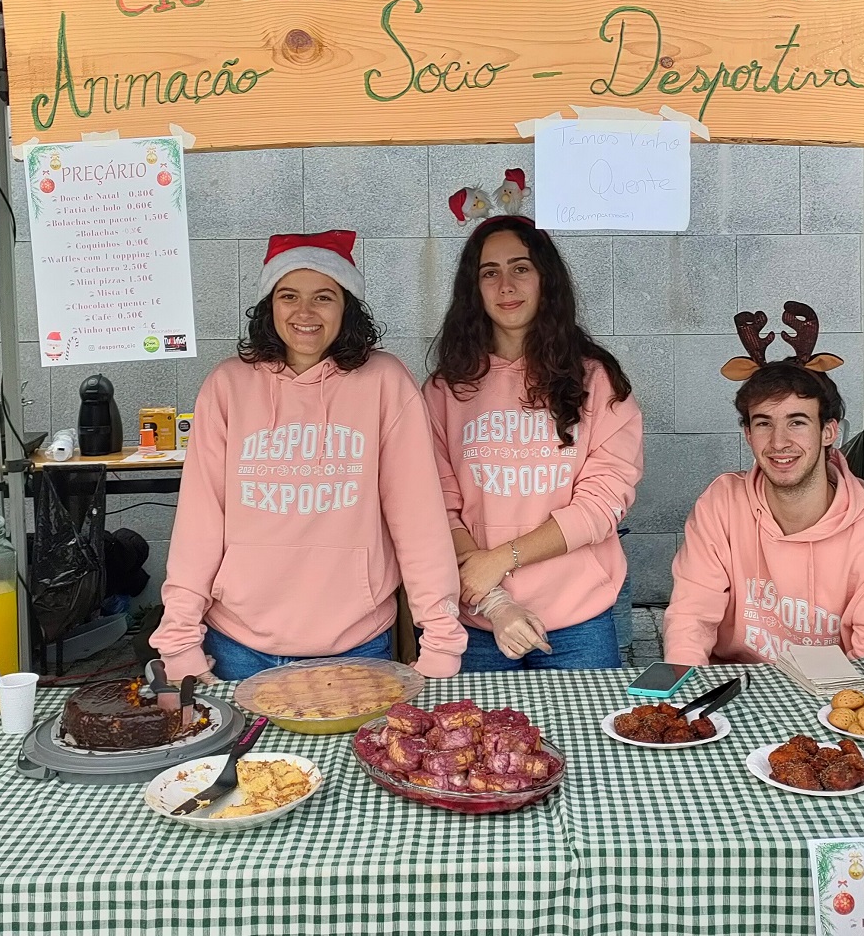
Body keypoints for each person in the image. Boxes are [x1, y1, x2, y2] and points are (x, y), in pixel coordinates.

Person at [152, 230, 466, 683]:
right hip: (239, 644)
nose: (304, 313)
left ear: (347, 307)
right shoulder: (227, 387)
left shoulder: (384, 383)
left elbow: (417, 519)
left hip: (354, 646)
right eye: (288, 296)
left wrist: (439, 637)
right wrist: (179, 640)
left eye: (323, 297)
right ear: (269, 305)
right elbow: (199, 521)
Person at [425, 216, 643, 671]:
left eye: (520, 268)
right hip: (479, 617)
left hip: (579, 620)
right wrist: (495, 599)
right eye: (490, 272)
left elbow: (603, 504)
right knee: (476, 742)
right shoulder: (447, 390)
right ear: (474, 289)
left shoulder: (596, 380)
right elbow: (435, 507)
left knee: (586, 740)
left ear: (546, 279)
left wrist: (503, 559)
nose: (506, 285)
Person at [664, 341, 864, 667]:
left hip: (832, 702)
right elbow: (691, 616)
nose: (779, 442)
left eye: (797, 422)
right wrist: (685, 698)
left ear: (829, 431)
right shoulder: (722, 504)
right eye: (763, 423)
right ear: (748, 434)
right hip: (730, 694)